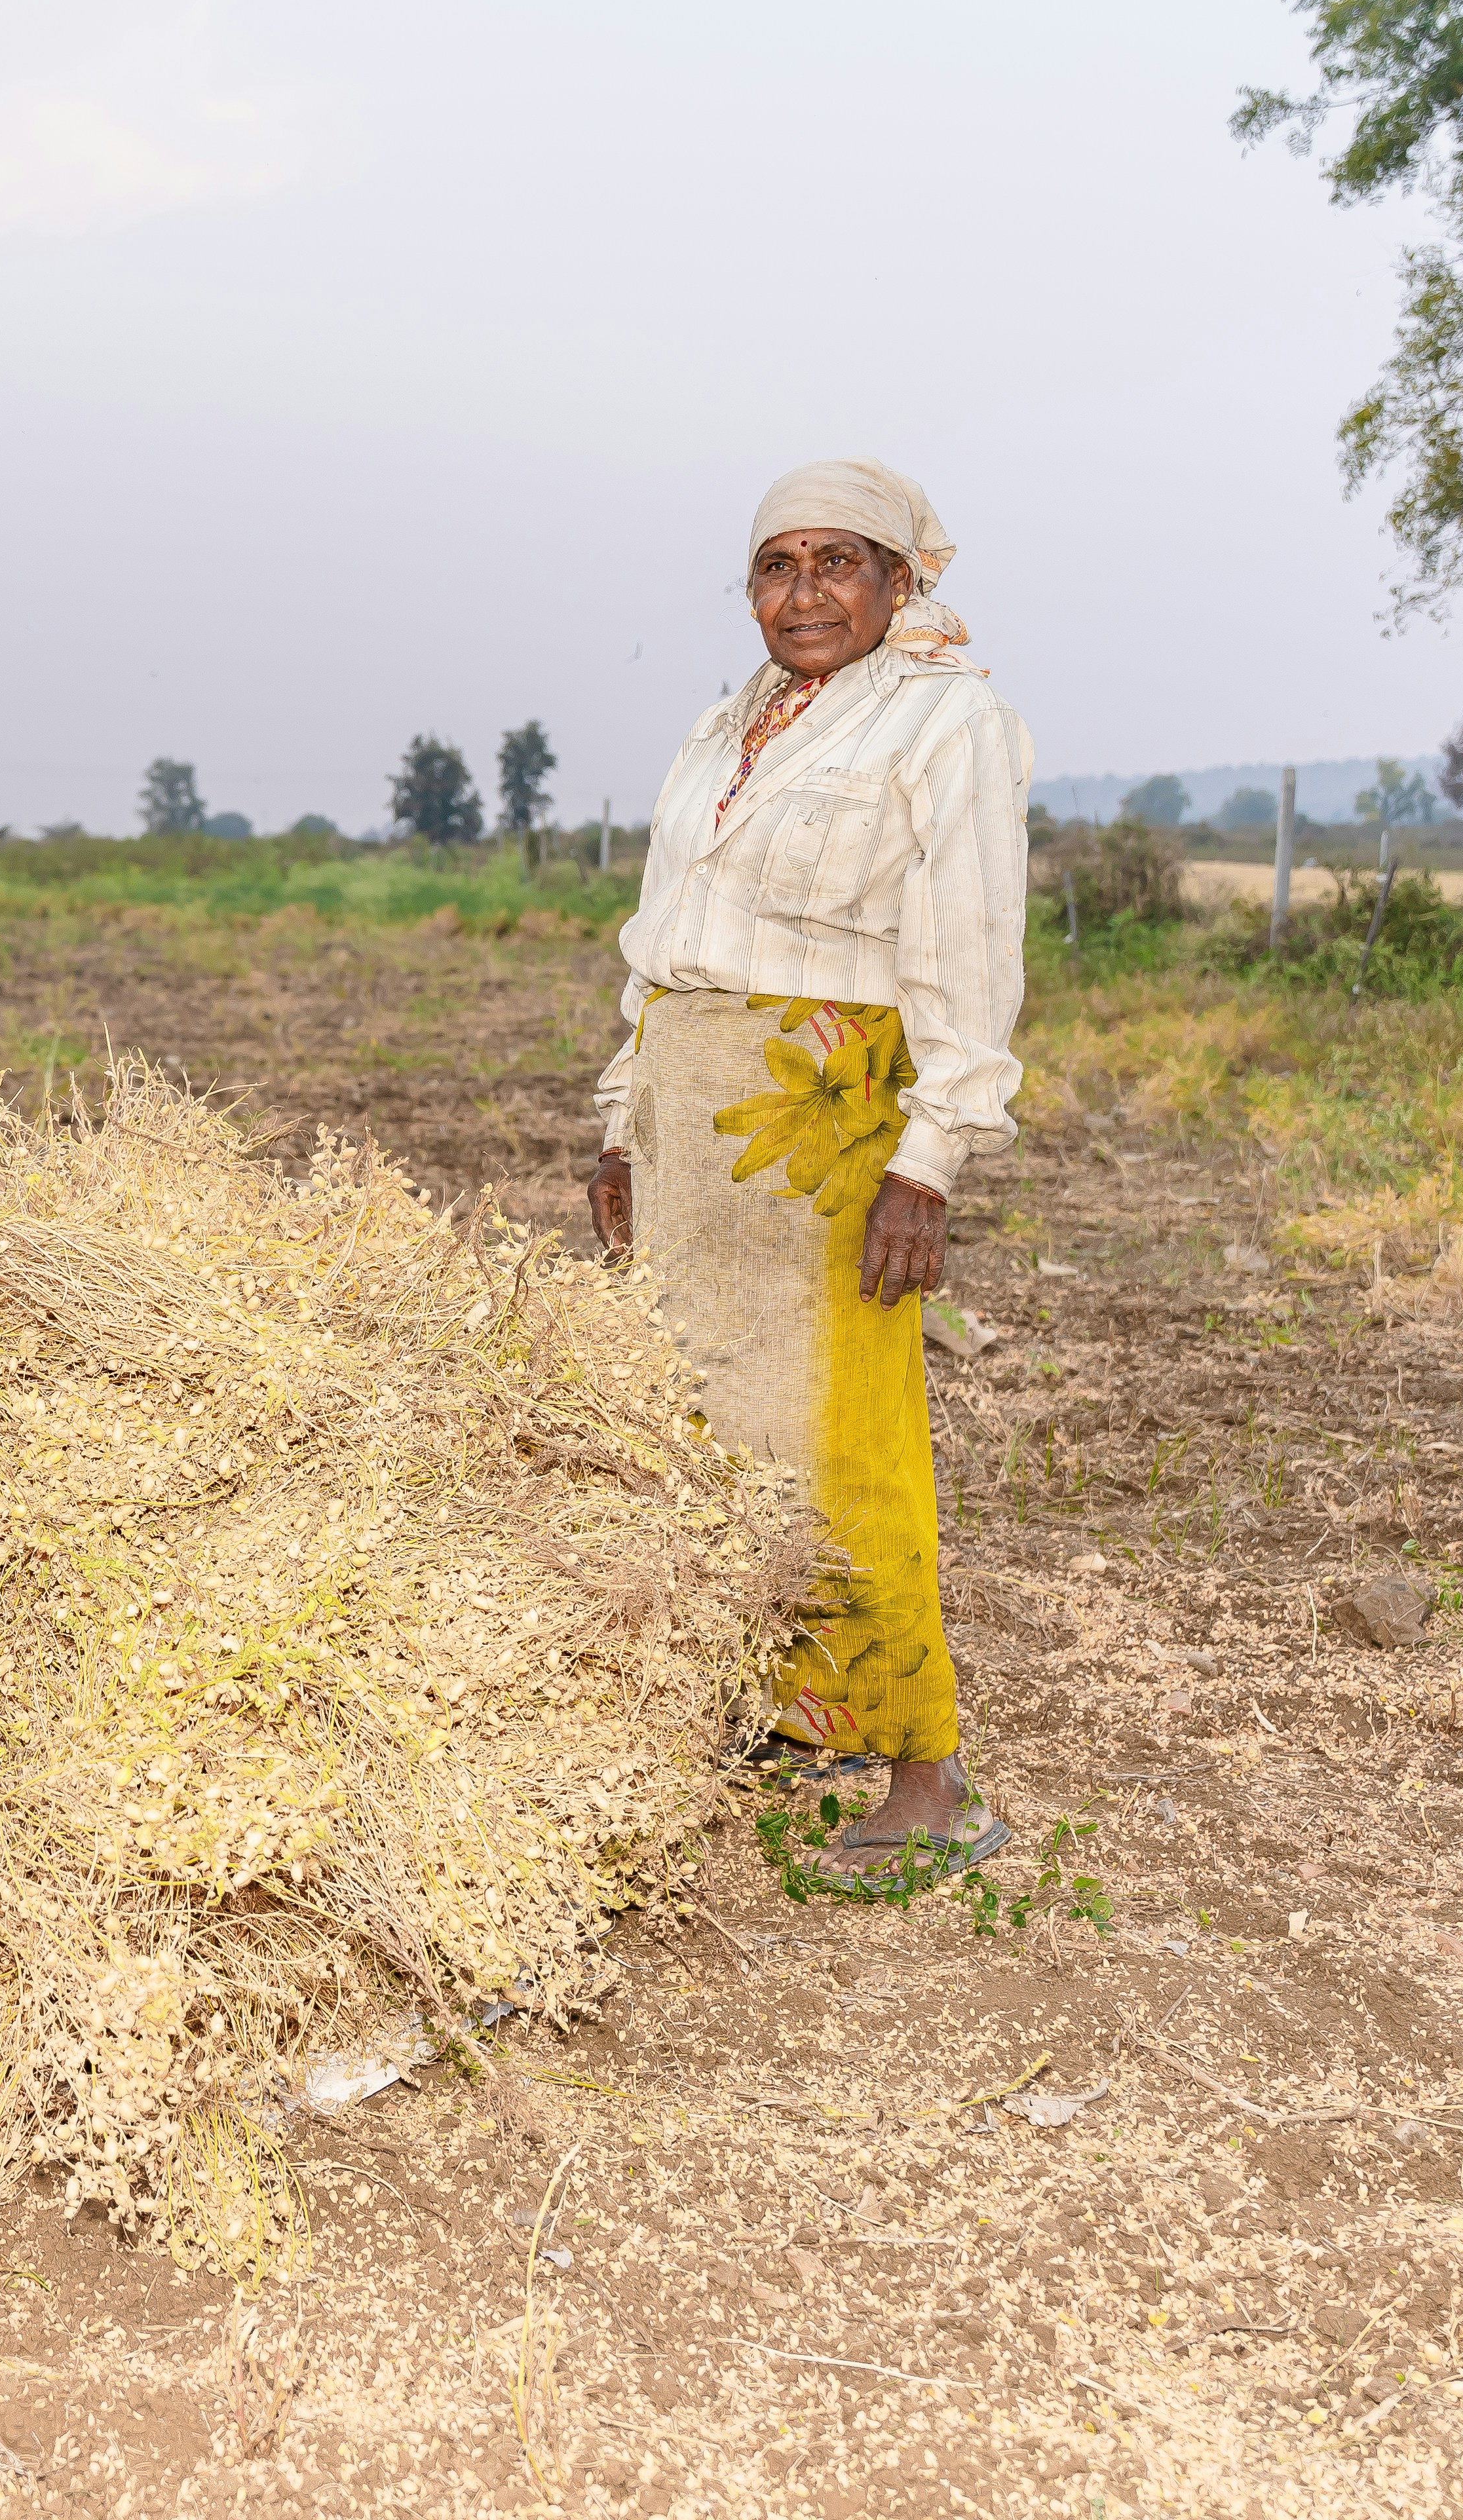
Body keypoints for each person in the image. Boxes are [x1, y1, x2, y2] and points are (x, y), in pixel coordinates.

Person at [584, 458, 1030, 1889]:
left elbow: (969, 947)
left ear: (904, 583)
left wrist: (933, 1158)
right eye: (778, 565)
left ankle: (927, 1776)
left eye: (841, 562)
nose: (805, 591)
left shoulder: (944, 720)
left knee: (847, 1439)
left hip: (828, 1115)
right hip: (693, 1113)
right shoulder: (730, 727)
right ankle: (775, 1713)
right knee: (710, 1430)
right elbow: (663, 938)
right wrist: (620, 1122)